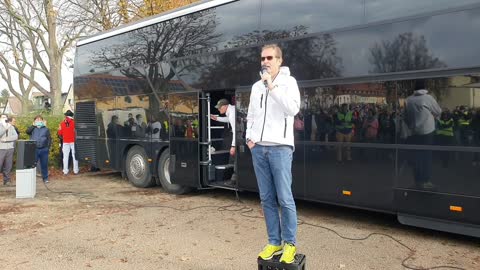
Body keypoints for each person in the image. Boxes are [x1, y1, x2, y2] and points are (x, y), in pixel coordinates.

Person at [246, 44, 300, 264]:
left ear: (279, 60)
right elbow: (251, 114)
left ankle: (289, 244)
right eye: (262, 58)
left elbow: (292, 109)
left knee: (285, 198)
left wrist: (272, 86)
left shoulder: (289, 83)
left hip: (280, 148)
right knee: (266, 198)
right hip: (258, 148)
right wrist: (249, 139)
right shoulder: (256, 87)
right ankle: (274, 241)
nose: (265, 61)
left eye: (269, 57)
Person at [404, 80, 441, 190]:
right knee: (426, 157)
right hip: (427, 131)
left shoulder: (409, 100)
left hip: (415, 132)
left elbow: (405, 117)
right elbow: (438, 111)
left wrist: (412, 126)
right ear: (424, 88)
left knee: (417, 157)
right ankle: (426, 181)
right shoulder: (428, 98)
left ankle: (417, 181)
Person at [211, 98, 237, 183]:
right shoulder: (231, 111)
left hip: (237, 139)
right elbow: (228, 119)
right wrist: (217, 118)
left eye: (219, 107)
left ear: (225, 106)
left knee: (234, 158)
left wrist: (233, 146)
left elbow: (235, 131)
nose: (218, 109)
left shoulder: (232, 113)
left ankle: (234, 179)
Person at [26, 115, 52, 183]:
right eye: (37, 120)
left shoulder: (46, 129)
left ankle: (45, 178)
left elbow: (49, 139)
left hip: (44, 149)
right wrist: (33, 125)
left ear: (42, 121)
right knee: (32, 164)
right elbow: (27, 132)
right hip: (34, 149)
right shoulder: (32, 128)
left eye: (40, 120)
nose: (38, 121)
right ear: (34, 121)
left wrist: (48, 148)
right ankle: (30, 178)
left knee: (44, 164)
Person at [58, 110, 79, 175]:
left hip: (65, 141)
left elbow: (60, 133)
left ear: (65, 116)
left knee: (65, 156)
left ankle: (65, 171)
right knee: (74, 155)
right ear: (72, 116)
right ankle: (75, 170)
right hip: (73, 141)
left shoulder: (61, 123)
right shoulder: (75, 122)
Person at [0, 114, 18, 185]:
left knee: (8, 165)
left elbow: (15, 136)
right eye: (2, 117)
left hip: (10, 148)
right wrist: (5, 128)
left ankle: (6, 180)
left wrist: (5, 139)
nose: (4, 118)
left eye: (5, 117)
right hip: (1, 148)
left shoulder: (11, 126)